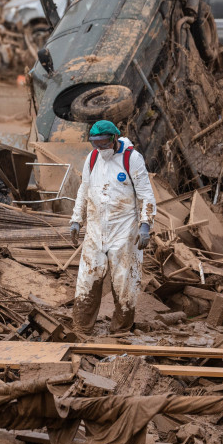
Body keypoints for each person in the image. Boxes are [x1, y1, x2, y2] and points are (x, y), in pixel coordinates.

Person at [68, 120, 156, 335]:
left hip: (124, 231)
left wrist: (145, 225)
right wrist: (76, 220)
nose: (100, 148)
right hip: (96, 230)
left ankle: (120, 331)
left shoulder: (131, 159)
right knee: (87, 280)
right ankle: (82, 329)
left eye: (104, 143)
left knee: (124, 282)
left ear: (114, 138)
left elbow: (146, 194)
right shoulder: (92, 159)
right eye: (95, 143)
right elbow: (84, 190)